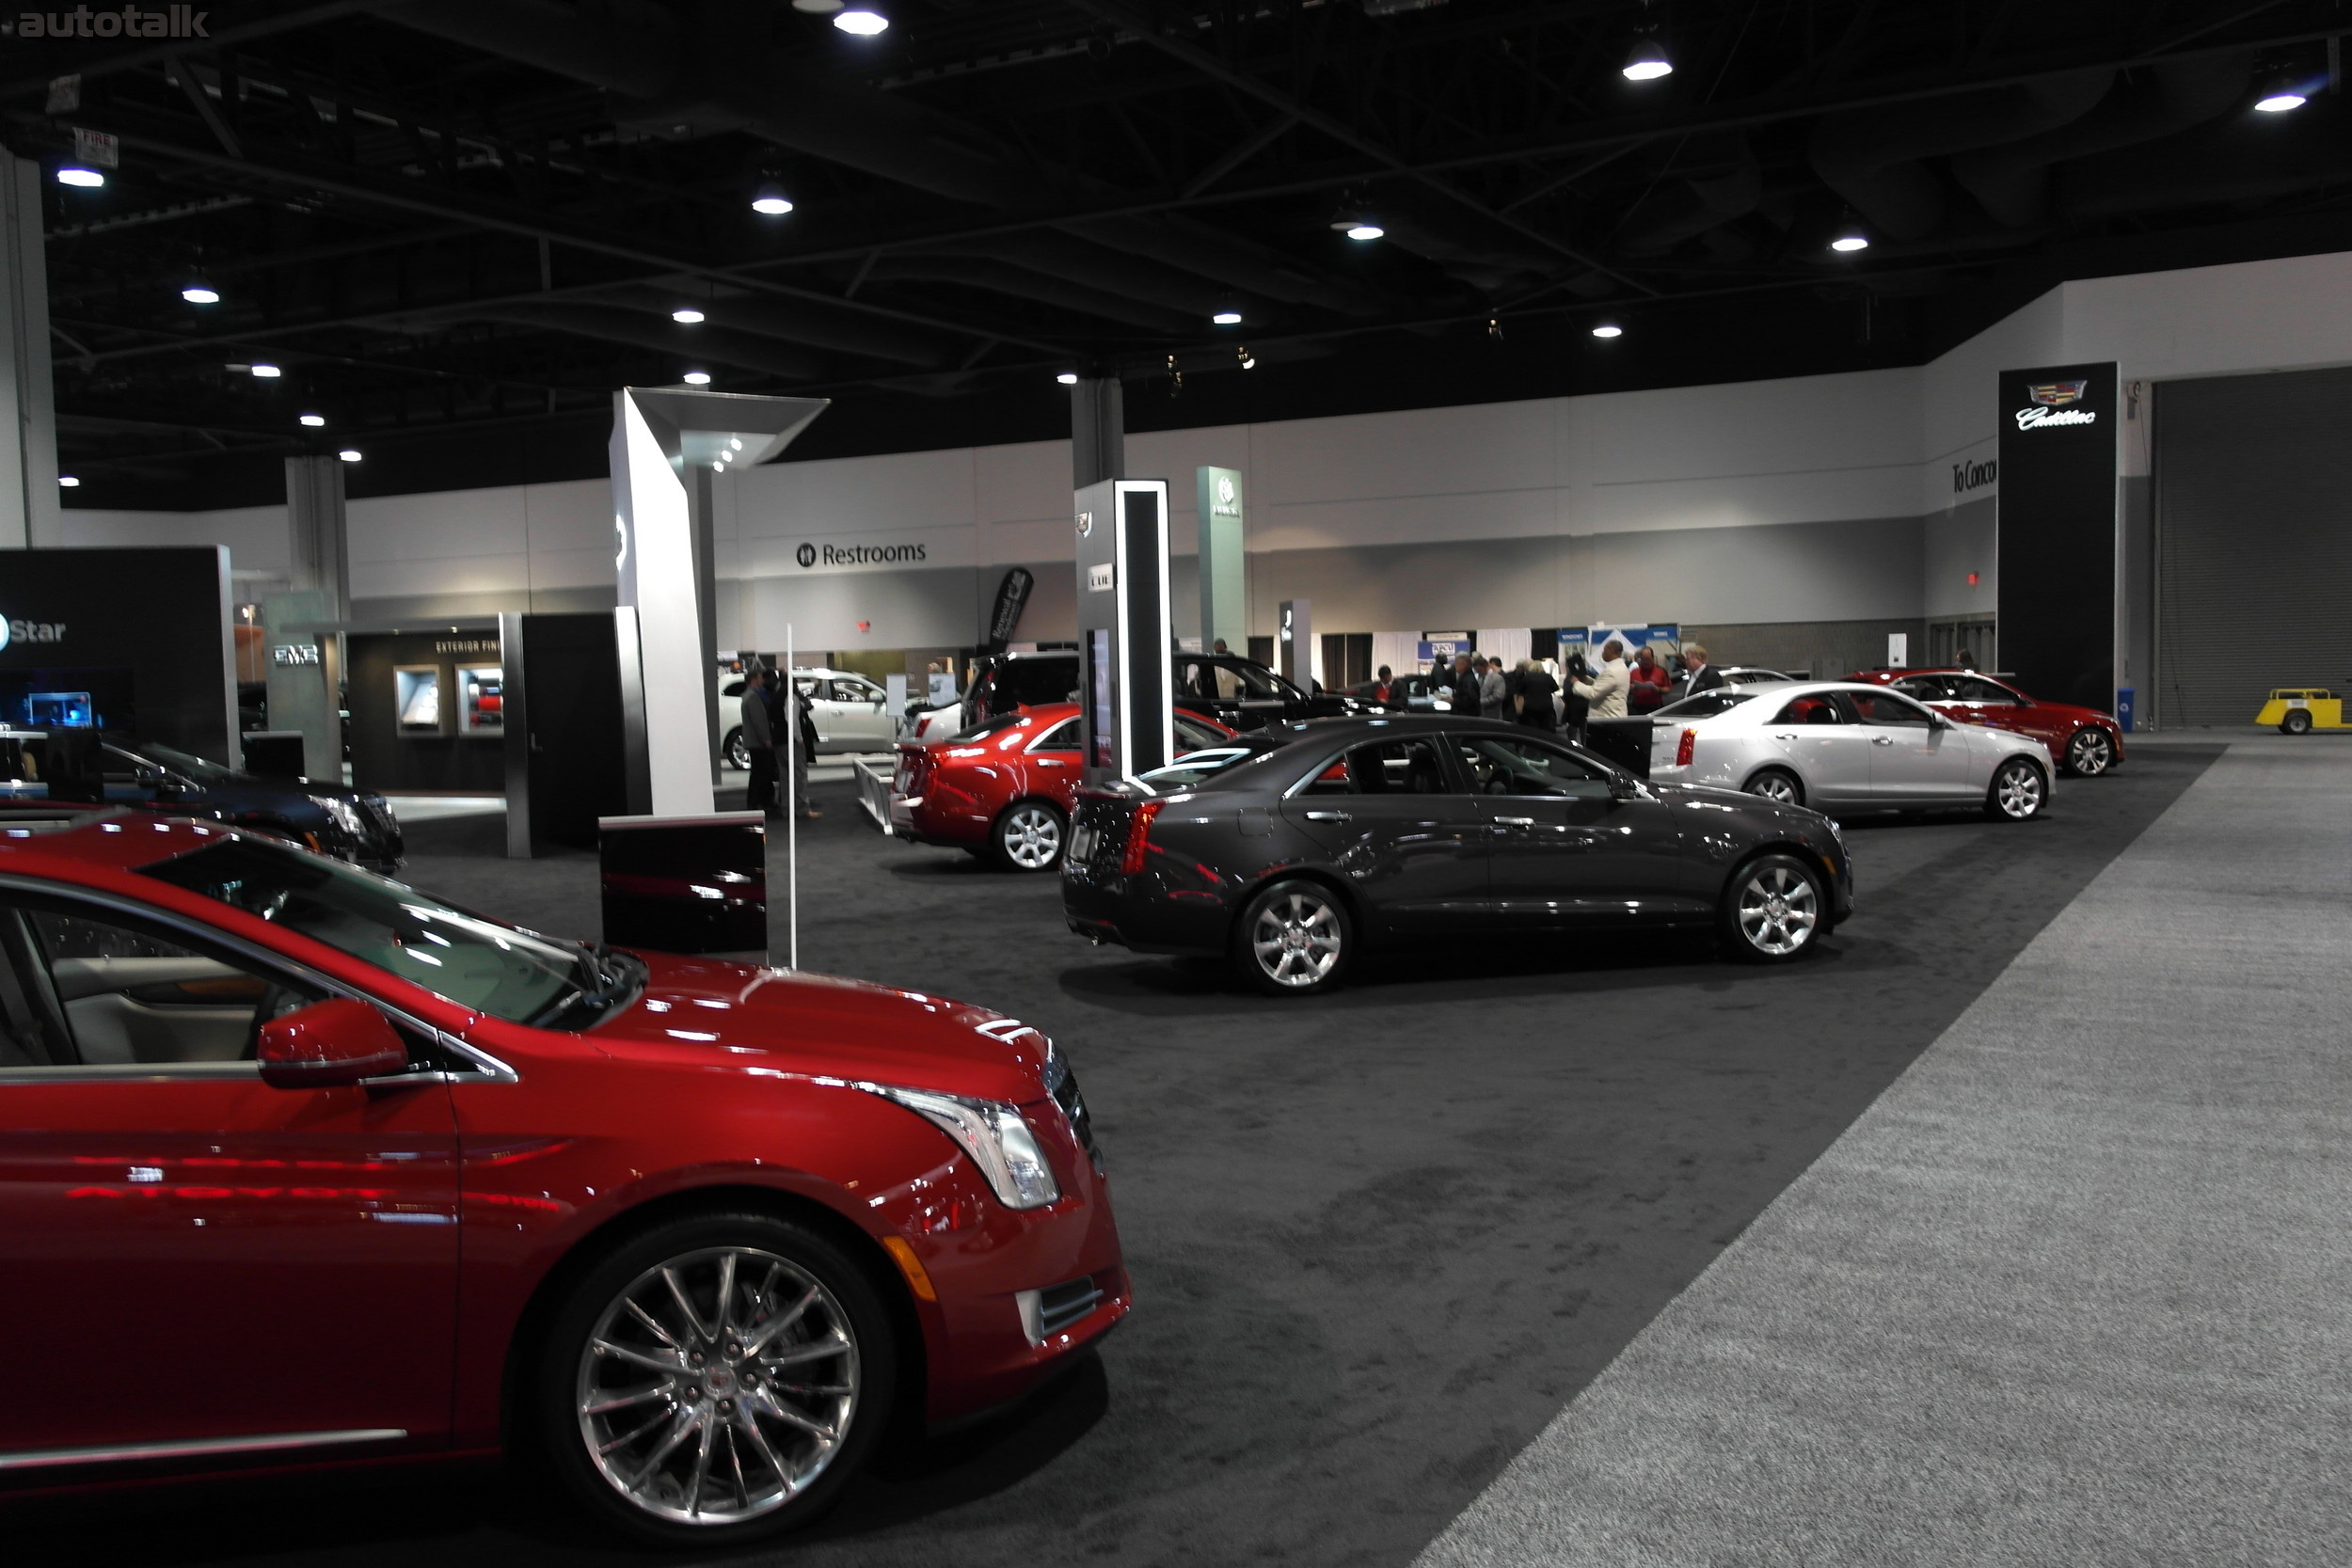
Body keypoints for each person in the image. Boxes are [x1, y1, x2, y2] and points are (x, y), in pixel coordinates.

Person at [770, 671, 822, 820]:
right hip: (790, 742)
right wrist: (799, 739)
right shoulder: (790, 697)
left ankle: (787, 809)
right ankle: (802, 809)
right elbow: (792, 719)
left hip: (778, 741)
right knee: (799, 775)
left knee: (785, 777)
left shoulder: (776, 696)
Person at [739, 667, 778, 813]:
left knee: (759, 772)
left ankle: (760, 801)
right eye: (760, 677)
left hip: (753, 741)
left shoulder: (747, 696)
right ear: (754, 680)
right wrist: (766, 738)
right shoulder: (753, 697)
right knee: (759, 773)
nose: (763, 680)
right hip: (757, 742)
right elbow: (759, 721)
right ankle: (754, 802)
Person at [1573, 639, 1629, 720]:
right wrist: (1586, 680)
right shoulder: (1621, 667)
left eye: (1604, 650)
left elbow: (1594, 693)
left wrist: (1576, 683)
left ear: (1611, 650)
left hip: (1608, 719)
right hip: (1614, 717)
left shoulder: (1612, 671)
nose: (1602, 653)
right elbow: (1603, 687)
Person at [1514, 657, 1559, 728]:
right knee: (1545, 727)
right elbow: (1556, 688)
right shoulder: (1548, 677)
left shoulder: (1527, 677)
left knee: (1532, 728)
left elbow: (1520, 691)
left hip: (1530, 706)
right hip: (1546, 706)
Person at [1627, 645, 1673, 714]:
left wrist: (1658, 689)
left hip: (1655, 708)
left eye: (1648, 659)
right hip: (1637, 708)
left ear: (1653, 658)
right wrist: (1631, 688)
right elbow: (1626, 688)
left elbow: (1668, 689)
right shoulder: (1634, 672)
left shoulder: (1661, 671)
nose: (1646, 662)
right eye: (1643, 659)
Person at [1478, 656, 1510, 720]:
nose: (1478, 672)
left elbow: (1498, 696)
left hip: (1493, 714)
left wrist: (1481, 701)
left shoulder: (1499, 678)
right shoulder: (1480, 678)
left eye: (1479, 669)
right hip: (1480, 713)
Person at [1450, 652, 1479, 716]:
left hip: (1466, 718)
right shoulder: (1464, 677)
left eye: (1457, 663)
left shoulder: (1468, 680)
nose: (1455, 666)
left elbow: (1469, 701)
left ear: (1464, 664)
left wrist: (1453, 700)